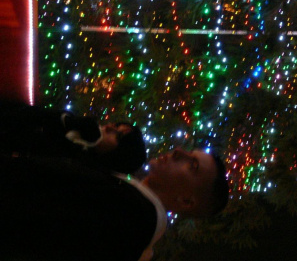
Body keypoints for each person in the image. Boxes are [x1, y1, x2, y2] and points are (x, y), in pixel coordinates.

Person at [0, 148, 229, 261]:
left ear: (186, 201)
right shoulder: (130, 203)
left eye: (193, 166)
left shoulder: (132, 217)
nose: (178, 151)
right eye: (189, 153)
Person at [0, 101, 147, 174]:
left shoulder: (79, 170)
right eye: (115, 125)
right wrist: (67, 122)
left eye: (118, 136)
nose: (108, 127)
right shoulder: (73, 126)